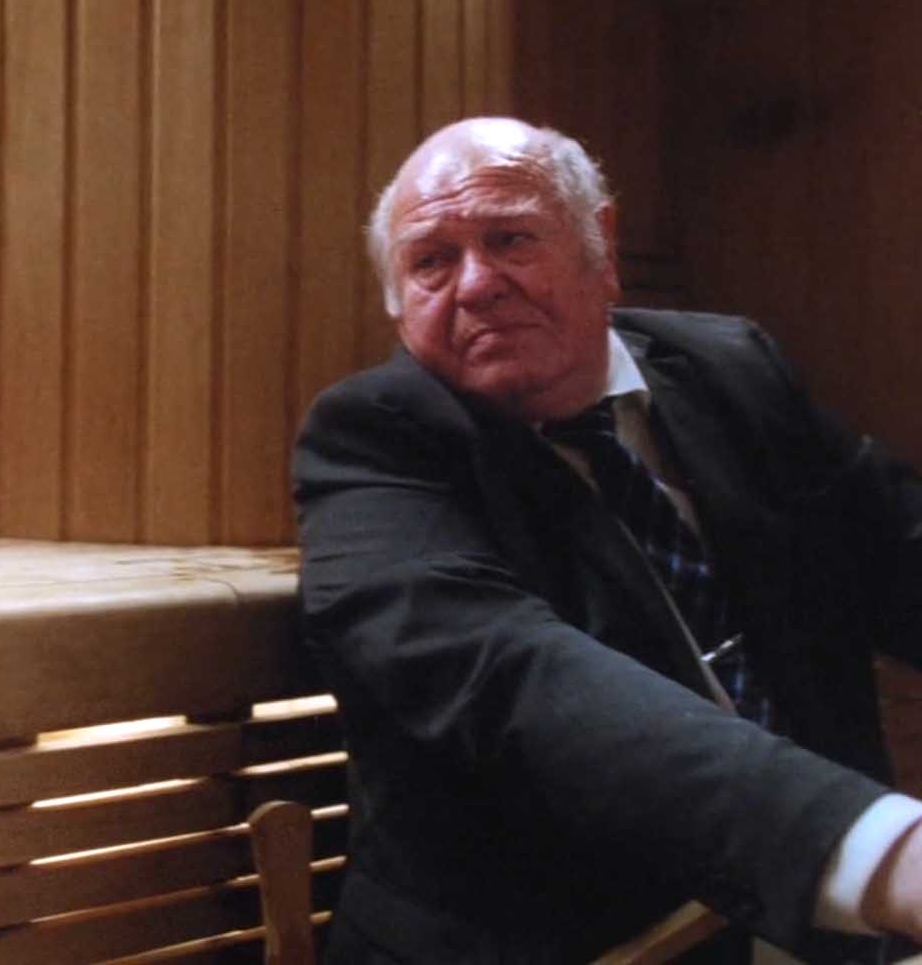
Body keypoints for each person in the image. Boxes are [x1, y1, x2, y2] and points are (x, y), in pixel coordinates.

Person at [294, 116, 922, 962]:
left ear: (603, 249)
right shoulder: (371, 440)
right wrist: (881, 848)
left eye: (511, 239)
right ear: (398, 303)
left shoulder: (732, 369)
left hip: (829, 931)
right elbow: (515, 679)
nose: (476, 285)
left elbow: (900, 555)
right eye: (431, 260)